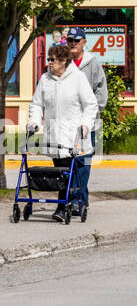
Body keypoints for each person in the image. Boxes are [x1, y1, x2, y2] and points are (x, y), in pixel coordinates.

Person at [26, 43, 97, 221]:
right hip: (54, 136)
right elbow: (36, 104)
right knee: (60, 172)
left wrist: (86, 124)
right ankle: (69, 204)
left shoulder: (78, 78)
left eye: (53, 60)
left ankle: (64, 207)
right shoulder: (45, 79)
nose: (49, 63)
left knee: (68, 172)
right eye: (48, 59)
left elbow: (91, 105)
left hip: (73, 135)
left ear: (64, 61)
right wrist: (34, 121)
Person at [65, 28, 106, 209]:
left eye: (77, 40)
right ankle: (79, 198)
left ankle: (77, 200)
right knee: (67, 161)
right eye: (70, 40)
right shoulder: (63, 63)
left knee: (83, 161)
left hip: (87, 123)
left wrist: (89, 116)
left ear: (84, 42)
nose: (73, 43)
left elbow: (101, 92)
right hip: (66, 123)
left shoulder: (93, 64)